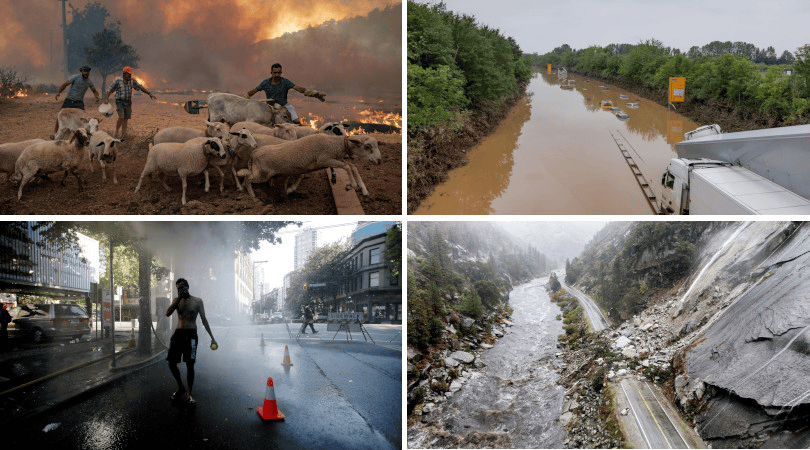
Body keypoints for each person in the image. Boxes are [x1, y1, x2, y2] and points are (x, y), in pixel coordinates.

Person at [165, 278, 217, 405]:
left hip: (191, 335)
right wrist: (178, 299)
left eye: (182, 287)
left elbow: (204, 320)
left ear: (187, 287)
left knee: (190, 364)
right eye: (178, 288)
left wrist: (212, 337)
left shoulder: (197, 301)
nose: (180, 290)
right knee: (171, 363)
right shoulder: (176, 301)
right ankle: (180, 387)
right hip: (178, 334)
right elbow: (167, 313)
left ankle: (189, 393)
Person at [243, 63, 326, 125]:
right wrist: (245, 97)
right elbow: (254, 91)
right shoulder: (266, 83)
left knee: (296, 122)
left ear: (281, 73)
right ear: (271, 72)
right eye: (275, 73)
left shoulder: (285, 82)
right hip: (270, 108)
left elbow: (298, 88)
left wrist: (313, 94)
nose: (277, 75)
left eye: (279, 73)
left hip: (284, 106)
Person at [102, 66, 156, 139]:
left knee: (125, 119)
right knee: (121, 117)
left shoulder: (132, 80)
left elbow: (140, 87)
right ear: (124, 74)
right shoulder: (117, 81)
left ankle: (123, 135)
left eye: (131, 74)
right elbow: (110, 89)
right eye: (129, 74)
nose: (130, 75)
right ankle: (116, 132)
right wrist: (106, 98)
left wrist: (149, 93)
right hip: (119, 101)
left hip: (128, 102)